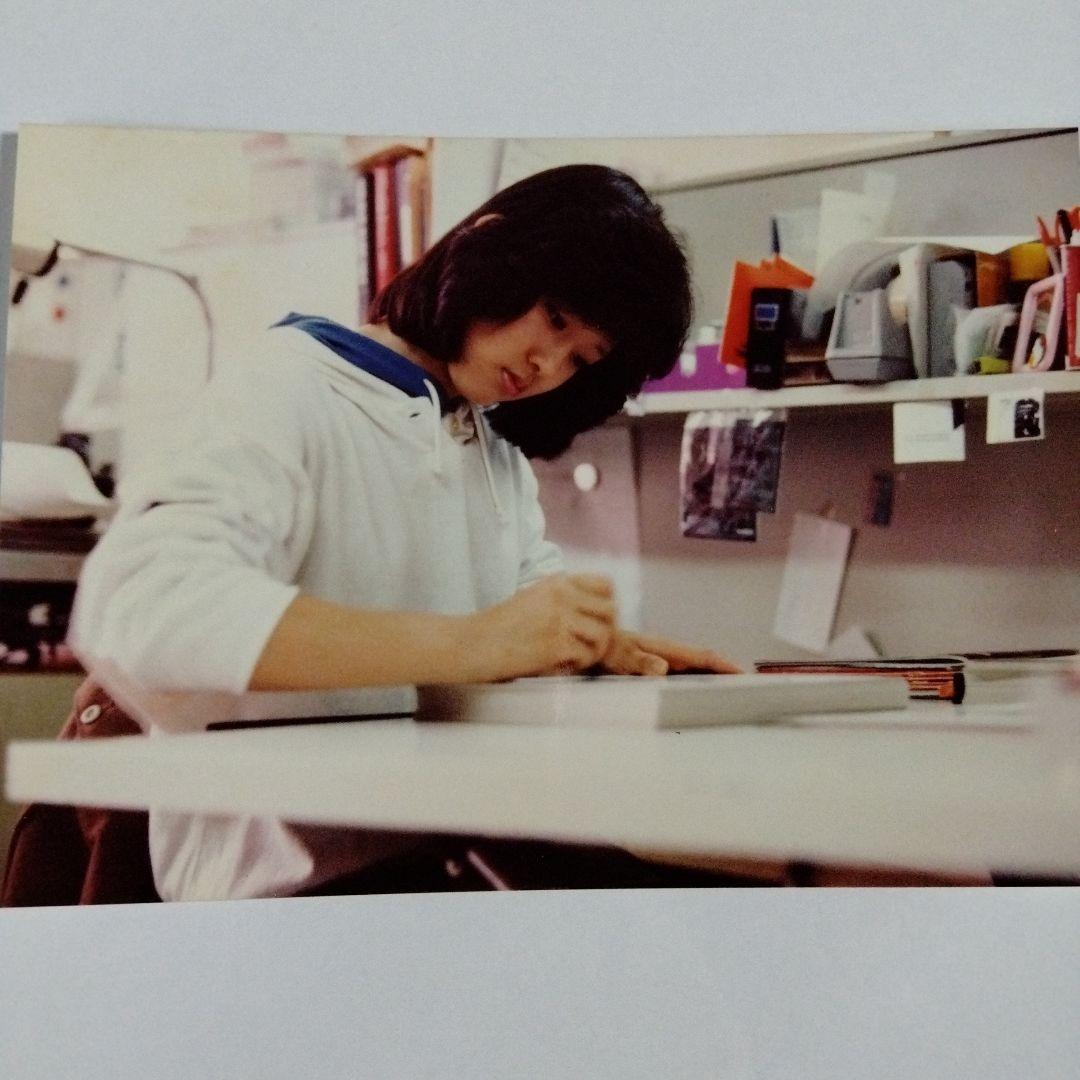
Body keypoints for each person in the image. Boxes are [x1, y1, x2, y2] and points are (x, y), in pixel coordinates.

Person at [68, 164, 739, 900]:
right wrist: (479, 643)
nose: (547, 363)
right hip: (291, 888)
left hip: (444, 852)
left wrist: (595, 650)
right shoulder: (286, 387)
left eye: (580, 357)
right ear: (491, 251)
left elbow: (522, 629)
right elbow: (145, 609)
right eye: (553, 318)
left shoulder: (493, 456)